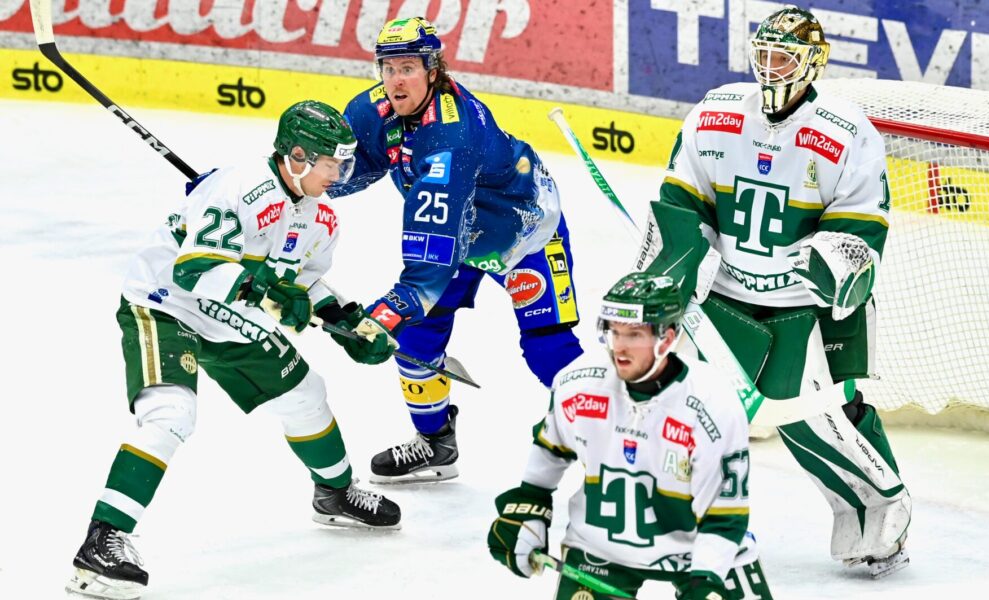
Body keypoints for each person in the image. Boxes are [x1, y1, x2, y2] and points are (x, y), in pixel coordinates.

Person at [67, 100, 402, 600]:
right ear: (297, 157)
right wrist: (266, 291)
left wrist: (348, 321)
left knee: (306, 394)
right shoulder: (239, 187)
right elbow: (191, 271)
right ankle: (102, 541)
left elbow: (304, 283)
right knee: (172, 413)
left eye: (342, 164)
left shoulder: (320, 217)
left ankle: (334, 494)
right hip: (167, 305)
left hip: (229, 316)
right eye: (331, 164)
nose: (339, 175)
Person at [636, 6, 910, 578]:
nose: (769, 67)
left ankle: (883, 510)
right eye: (762, 54)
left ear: (812, 63)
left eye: (783, 57)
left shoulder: (845, 131)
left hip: (801, 307)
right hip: (723, 298)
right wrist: (675, 266)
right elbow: (683, 201)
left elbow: (863, 224)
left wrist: (834, 262)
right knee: (688, 406)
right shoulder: (716, 114)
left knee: (819, 418)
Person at [328, 16, 584, 483]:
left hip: (524, 233)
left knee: (547, 348)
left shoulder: (452, 138)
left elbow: (431, 261)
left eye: (408, 68)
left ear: (433, 70)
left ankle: (616, 445)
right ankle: (435, 443)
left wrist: (385, 313)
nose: (395, 80)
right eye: (388, 68)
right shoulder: (373, 110)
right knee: (415, 335)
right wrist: (274, 187)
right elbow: (338, 173)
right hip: (459, 237)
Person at [487, 272, 772, 600]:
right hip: (601, 548)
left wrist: (707, 580)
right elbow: (552, 446)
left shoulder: (712, 402)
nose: (620, 347)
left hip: (700, 550)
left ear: (666, 338)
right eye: (614, 332)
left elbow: (724, 514)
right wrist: (530, 503)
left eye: (634, 334)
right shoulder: (579, 383)